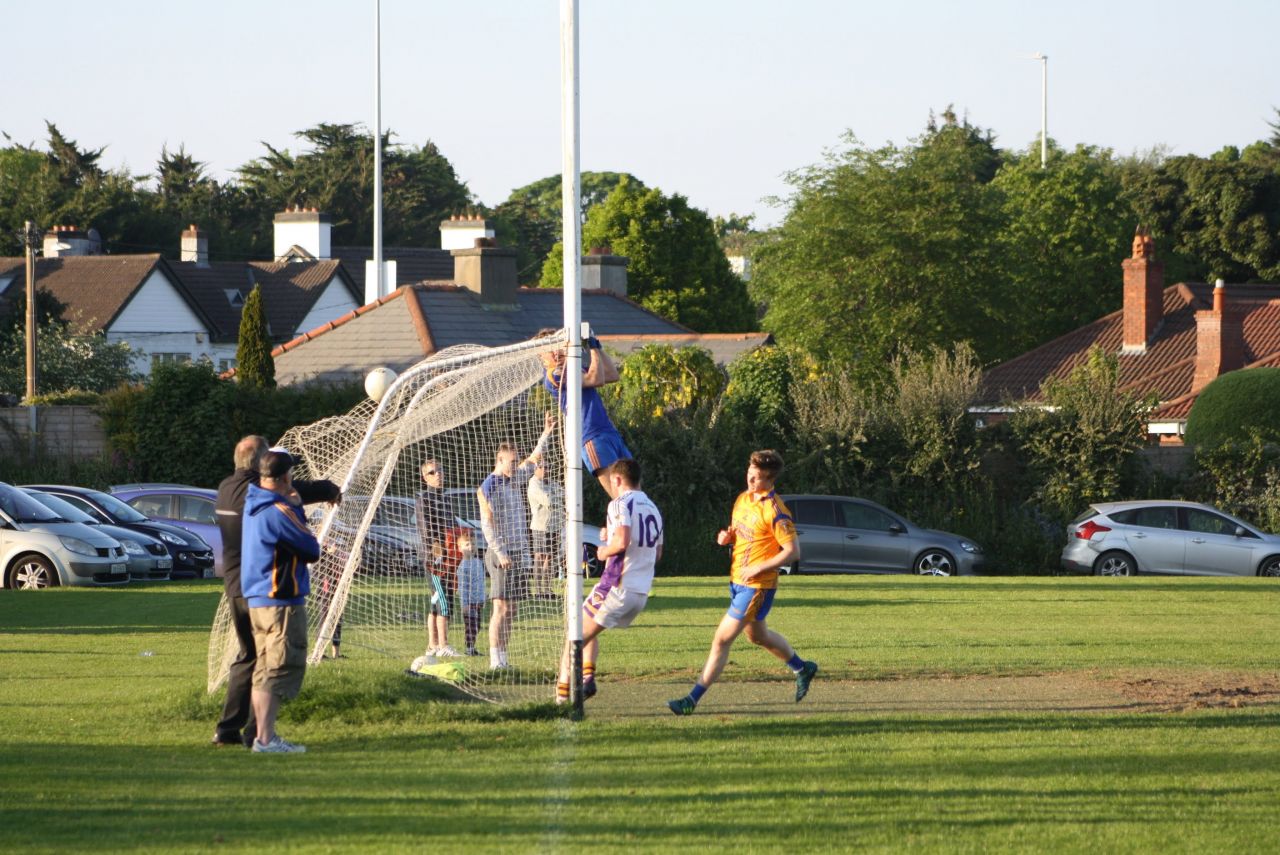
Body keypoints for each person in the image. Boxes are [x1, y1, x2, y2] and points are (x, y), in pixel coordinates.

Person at [211, 435, 339, 749]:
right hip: (267, 588)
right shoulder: (263, 501)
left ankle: (234, 730)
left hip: (242, 586)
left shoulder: (230, 489)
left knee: (250, 658)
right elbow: (310, 547)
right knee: (270, 662)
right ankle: (259, 735)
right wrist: (321, 493)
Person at [668, 449, 818, 715]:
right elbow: (740, 534)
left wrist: (759, 566)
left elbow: (793, 552)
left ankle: (691, 700)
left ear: (770, 480)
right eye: (749, 474)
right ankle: (802, 668)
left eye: (756, 478)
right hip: (737, 580)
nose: (749, 481)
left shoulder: (776, 512)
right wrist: (726, 538)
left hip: (757, 586)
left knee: (721, 640)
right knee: (758, 636)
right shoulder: (742, 499)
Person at [556, 458, 661, 704]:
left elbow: (622, 542)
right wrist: (611, 536)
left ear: (617, 479)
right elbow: (656, 552)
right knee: (585, 624)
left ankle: (560, 698)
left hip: (617, 586)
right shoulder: (653, 508)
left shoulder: (618, 504)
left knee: (573, 633)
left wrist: (604, 551)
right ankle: (587, 678)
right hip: (640, 591)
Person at [241, 448, 322, 753]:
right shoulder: (281, 510)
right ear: (285, 476)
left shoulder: (254, 502)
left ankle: (263, 736)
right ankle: (265, 738)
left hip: (258, 599)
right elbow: (311, 549)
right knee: (279, 667)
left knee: (264, 667)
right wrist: (298, 508)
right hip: (280, 601)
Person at [478, 412, 555, 670]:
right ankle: (493, 660)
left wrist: (546, 432)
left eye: (514, 461)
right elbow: (487, 524)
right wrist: (500, 552)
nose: (513, 465)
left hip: (519, 554)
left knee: (512, 609)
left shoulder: (515, 479)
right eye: (509, 462)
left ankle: (504, 658)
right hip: (501, 555)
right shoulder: (489, 485)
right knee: (500, 608)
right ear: (499, 461)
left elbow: (533, 460)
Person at [536, 328, 631, 495]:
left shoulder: (574, 367)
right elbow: (596, 379)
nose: (556, 352)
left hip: (608, 431)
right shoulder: (554, 374)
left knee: (633, 488)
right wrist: (592, 348)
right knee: (619, 496)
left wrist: (596, 345)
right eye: (549, 350)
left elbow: (612, 374)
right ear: (541, 357)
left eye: (558, 346)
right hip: (591, 437)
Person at [415, 459, 458, 658]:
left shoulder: (446, 499)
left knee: (437, 599)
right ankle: (443, 645)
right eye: (432, 472)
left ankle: (432, 645)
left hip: (449, 556)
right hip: (435, 559)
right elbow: (426, 530)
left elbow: (452, 527)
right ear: (425, 477)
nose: (438, 474)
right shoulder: (424, 499)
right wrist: (437, 552)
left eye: (440, 470)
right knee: (442, 599)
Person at [527, 461, 564, 598]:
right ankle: (538, 591)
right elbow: (547, 500)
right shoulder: (534, 483)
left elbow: (564, 495)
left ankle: (548, 590)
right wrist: (555, 497)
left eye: (548, 467)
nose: (546, 470)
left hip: (555, 525)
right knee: (539, 556)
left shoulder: (552, 483)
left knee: (551, 557)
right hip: (541, 526)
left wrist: (555, 496)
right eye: (542, 467)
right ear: (535, 469)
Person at [455, 530, 485, 656]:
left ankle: (472, 647)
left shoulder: (478, 562)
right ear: (460, 548)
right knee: (471, 626)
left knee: (477, 626)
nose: (471, 547)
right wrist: (466, 604)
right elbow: (463, 587)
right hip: (468, 603)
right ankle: (469, 648)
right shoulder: (463, 567)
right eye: (467, 544)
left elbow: (481, 582)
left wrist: (482, 598)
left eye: (472, 544)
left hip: (478, 601)